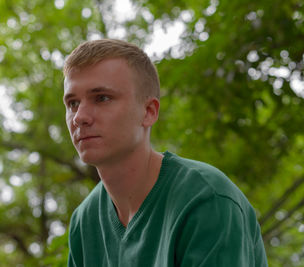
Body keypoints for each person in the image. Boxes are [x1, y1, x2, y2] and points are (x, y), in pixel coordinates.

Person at [62, 39, 268, 267]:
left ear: (149, 112)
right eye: (72, 103)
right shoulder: (85, 221)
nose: (80, 116)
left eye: (102, 98)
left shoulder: (206, 199)